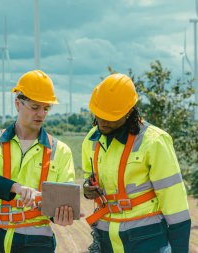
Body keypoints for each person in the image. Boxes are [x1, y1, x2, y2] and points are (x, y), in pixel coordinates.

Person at [0, 70, 76, 253]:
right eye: (34, 107)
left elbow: (63, 200)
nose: (41, 114)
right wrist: (15, 188)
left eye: (46, 108)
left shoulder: (61, 151)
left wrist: (64, 214)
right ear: (18, 104)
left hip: (36, 242)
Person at [82, 73, 191, 253]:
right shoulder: (91, 140)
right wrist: (87, 189)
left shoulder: (154, 141)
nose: (102, 121)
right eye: (99, 114)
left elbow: (175, 204)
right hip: (106, 236)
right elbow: (89, 177)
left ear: (129, 111)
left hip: (146, 238)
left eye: (110, 116)